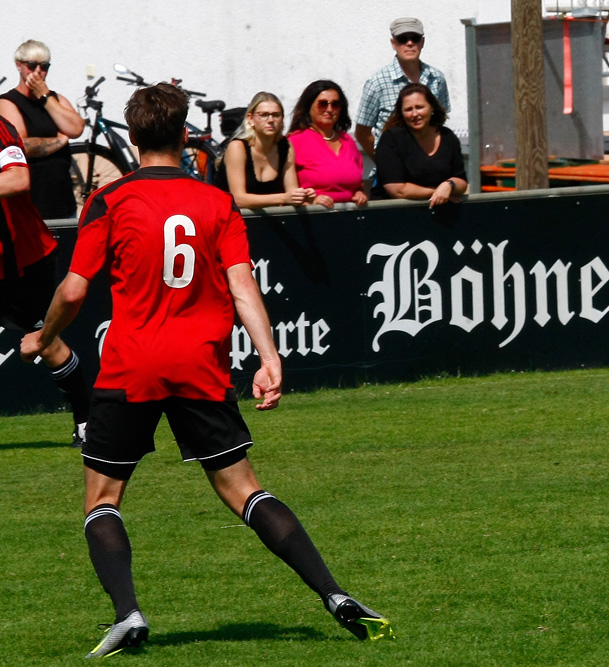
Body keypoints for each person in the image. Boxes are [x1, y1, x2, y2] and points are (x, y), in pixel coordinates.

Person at [20, 83, 393, 658]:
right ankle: (335, 595)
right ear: (181, 133)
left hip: (132, 367)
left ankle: (128, 614)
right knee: (245, 490)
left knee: (102, 498)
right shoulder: (216, 201)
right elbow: (242, 284)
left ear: (136, 135)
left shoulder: (112, 199)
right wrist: (270, 357)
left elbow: (73, 289)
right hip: (201, 365)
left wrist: (44, 337)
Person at [1, 115, 90, 445]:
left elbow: (18, 180)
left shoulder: (0, 126)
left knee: (45, 342)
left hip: (23, 260)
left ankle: (86, 420)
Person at [0, 39, 85, 219]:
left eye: (44, 66)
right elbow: (21, 146)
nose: (38, 71)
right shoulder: (8, 102)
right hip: (30, 204)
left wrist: (44, 96)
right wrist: (60, 140)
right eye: (31, 65)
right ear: (19, 65)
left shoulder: (54, 99)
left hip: (62, 200)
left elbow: (76, 128)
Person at [355, 17, 451, 162]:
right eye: (402, 39)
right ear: (393, 43)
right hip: (394, 170)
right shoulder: (377, 83)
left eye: (415, 38)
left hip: (431, 166)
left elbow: (440, 122)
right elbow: (362, 132)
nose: (410, 43)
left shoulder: (437, 78)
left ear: (422, 42)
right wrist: (383, 162)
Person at [216, 91, 316, 209]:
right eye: (264, 115)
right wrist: (283, 198)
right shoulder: (237, 147)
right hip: (227, 220)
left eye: (276, 115)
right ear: (251, 119)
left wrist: (303, 197)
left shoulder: (285, 146)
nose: (270, 120)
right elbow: (238, 199)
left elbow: (292, 190)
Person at [374, 83, 467, 207]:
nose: (414, 114)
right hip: (396, 214)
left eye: (419, 107)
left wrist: (449, 185)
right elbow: (397, 190)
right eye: (408, 109)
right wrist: (437, 193)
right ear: (401, 113)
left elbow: (461, 181)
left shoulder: (448, 137)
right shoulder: (391, 139)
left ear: (432, 108)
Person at [287, 80, 367, 208]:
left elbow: (357, 182)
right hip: (312, 218)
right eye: (323, 104)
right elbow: (285, 190)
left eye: (335, 104)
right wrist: (312, 202)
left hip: (350, 219)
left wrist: (360, 192)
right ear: (309, 107)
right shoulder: (294, 141)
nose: (329, 109)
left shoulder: (348, 141)